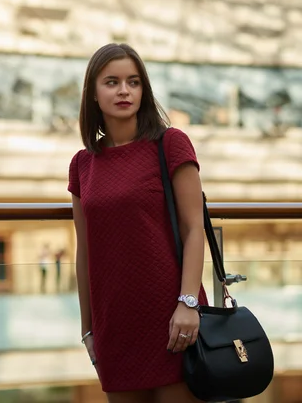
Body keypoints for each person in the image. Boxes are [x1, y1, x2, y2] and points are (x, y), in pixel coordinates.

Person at [68, 43, 208, 403]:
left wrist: (188, 304)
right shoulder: (83, 164)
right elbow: (85, 253)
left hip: (173, 318)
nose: (124, 91)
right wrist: (88, 330)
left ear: (144, 90)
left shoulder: (170, 143)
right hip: (115, 325)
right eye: (111, 82)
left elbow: (195, 229)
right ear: (94, 94)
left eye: (133, 82)